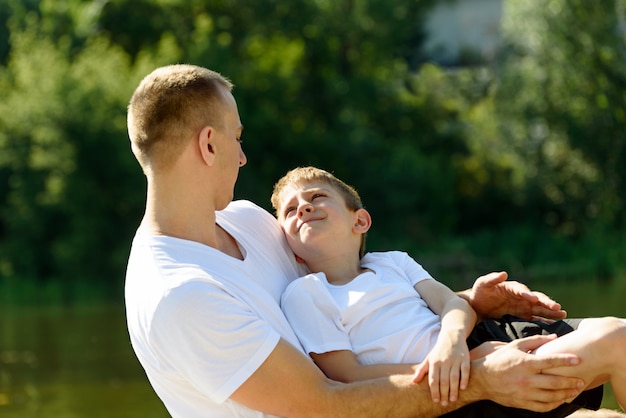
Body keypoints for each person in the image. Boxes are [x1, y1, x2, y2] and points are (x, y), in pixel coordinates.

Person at [125, 63, 592, 418]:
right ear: (208, 145)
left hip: (408, 394)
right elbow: (324, 403)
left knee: (606, 353)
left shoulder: (245, 220)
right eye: (237, 138)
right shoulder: (179, 295)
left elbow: (347, 308)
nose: (243, 157)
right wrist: (479, 380)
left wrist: (465, 304)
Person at [272, 166, 626, 417]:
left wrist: (452, 343)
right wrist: (464, 364)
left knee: (618, 333)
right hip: (448, 391)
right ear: (291, 246)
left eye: (317, 197)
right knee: (615, 338)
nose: (304, 206)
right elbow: (347, 377)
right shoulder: (306, 293)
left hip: (478, 342)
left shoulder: (391, 263)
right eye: (290, 210)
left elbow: (451, 303)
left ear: (359, 221)